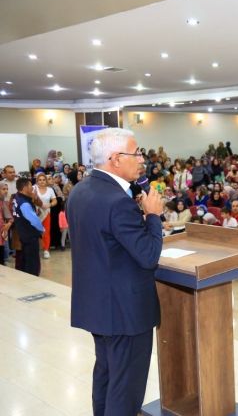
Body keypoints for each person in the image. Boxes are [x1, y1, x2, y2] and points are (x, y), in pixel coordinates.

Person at [66, 128, 163, 415]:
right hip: (125, 312)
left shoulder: (81, 190)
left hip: (97, 305)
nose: (142, 159)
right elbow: (148, 256)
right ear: (116, 159)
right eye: (137, 153)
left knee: (107, 376)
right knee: (125, 390)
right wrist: (153, 216)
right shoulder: (118, 201)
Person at [11, 177, 44, 276]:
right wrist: (42, 229)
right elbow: (34, 220)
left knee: (26, 257)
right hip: (30, 234)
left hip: (22, 233)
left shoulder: (16, 197)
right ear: (25, 188)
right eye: (30, 185)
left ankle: (26, 275)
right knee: (32, 260)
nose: (32, 188)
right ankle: (33, 277)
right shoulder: (24, 203)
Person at [33, 172, 56, 259]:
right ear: (37, 181)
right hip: (35, 213)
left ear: (46, 181)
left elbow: (55, 201)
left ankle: (46, 250)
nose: (42, 181)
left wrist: (50, 204)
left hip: (46, 213)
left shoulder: (50, 190)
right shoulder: (33, 188)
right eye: (40, 180)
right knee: (34, 232)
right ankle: (35, 250)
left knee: (46, 232)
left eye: (43, 180)